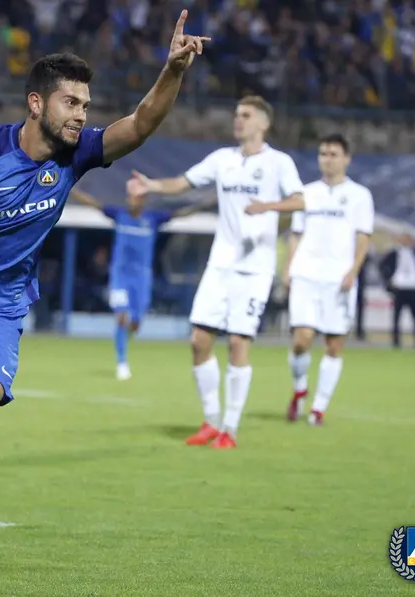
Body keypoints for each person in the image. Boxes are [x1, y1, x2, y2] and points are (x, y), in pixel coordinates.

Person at [0, 16, 209, 591]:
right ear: (36, 103)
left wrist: (172, 70)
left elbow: (140, 125)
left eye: (86, 104)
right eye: (71, 102)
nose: (81, 114)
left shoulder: (75, 156)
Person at [128, 96, 304, 449]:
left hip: (255, 269)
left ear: (263, 124)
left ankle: (230, 429)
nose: (238, 120)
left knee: (238, 343)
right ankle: (210, 421)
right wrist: (152, 185)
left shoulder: (278, 163)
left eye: (246, 115)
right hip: (220, 264)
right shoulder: (222, 159)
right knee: (199, 341)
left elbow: (300, 200)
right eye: (236, 114)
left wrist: (268, 206)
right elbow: (184, 182)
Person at [245, 133, 374, 424]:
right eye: (323, 154)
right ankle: (300, 389)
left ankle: (318, 408)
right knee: (301, 340)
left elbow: (363, 237)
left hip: (338, 279)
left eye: (333, 154)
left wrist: (353, 271)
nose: (327, 160)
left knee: (333, 344)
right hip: (306, 274)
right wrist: (288, 269)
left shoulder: (360, 196)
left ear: (347, 159)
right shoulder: (307, 193)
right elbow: (296, 234)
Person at [71, 181, 214, 380]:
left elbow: (181, 213)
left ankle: (127, 335)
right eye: (130, 197)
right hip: (120, 275)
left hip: (141, 277)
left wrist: (206, 204)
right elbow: (93, 203)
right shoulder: (119, 215)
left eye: (136, 198)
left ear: (142, 200)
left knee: (136, 322)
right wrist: (70, 188)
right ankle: (122, 362)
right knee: (121, 317)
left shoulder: (152, 219)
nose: (132, 201)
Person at [380, 233, 415, 348]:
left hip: (413, 287)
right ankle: (396, 341)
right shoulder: (394, 253)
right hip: (399, 287)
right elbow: (382, 265)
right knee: (397, 316)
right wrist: (389, 279)